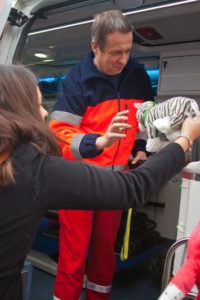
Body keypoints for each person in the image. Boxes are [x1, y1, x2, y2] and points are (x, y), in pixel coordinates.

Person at [0, 63, 200, 300]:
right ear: (16, 109)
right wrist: (183, 140)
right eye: (37, 104)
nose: (43, 113)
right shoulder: (33, 169)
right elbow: (131, 189)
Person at [49, 10, 154, 300]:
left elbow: (143, 121)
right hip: (78, 184)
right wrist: (99, 141)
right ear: (95, 46)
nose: (123, 59)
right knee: (74, 253)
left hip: (115, 185)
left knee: (105, 250)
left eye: (128, 50)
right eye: (116, 52)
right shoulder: (76, 82)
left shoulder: (137, 75)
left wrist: (141, 150)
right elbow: (59, 133)